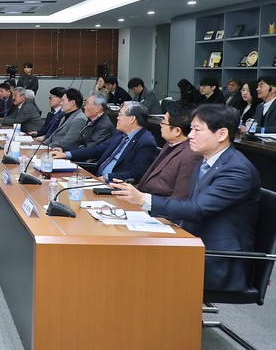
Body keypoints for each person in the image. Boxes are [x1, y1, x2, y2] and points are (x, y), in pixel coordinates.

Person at [111, 104, 260, 291]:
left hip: (218, 260)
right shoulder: (207, 161)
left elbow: (197, 209)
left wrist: (144, 199)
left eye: (197, 130)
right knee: (126, 251)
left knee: (134, 267)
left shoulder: (237, 170)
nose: (190, 135)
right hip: (194, 243)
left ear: (222, 134)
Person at [52, 101, 158, 183]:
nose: (117, 118)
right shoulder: (120, 135)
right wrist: (65, 154)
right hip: (97, 178)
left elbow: (137, 174)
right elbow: (97, 149)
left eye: (120, 115)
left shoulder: (145, 142)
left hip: (113, 185)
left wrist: (107, 177)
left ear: (132, 119)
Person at [136, 102, 202, 199]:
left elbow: (180, 198)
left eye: (164, 121)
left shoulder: (191, 155)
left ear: (177, 131)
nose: (160, 124)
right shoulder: (169, 143)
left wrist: (143, 199)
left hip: (156, 205)